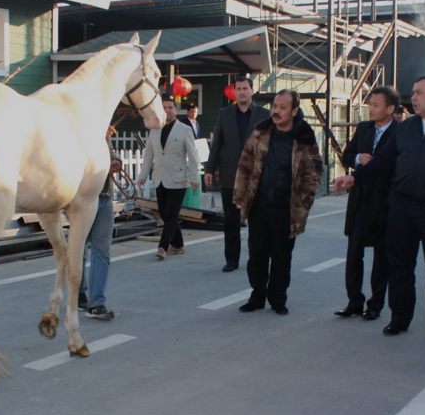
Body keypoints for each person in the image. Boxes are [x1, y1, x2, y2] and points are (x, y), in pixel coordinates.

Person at [334, 76, 425, 341]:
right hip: (402, 206)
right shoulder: (406, 129)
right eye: (412, 92)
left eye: (419, 92)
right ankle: (399, 318)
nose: (413, 97)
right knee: (399, 266)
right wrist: (354, 177)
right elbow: (383, 161)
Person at [233, 90, 323, 315]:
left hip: (286, 208)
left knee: (282, 258)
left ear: (294, 111)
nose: (276, 111)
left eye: (283, 107)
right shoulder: (261, 132)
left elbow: (314, 172)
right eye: (275, 106)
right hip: (259, 205)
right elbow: (245, 164)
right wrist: (240, 195)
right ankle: (257, 296)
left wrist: (305, 201)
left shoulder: (304, 137)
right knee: (257, 256)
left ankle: (278, 299)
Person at [335, 86, 399, 321]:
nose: (370, 109)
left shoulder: (399, 133)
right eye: (370, 104)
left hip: (385, 201)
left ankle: (375, 304)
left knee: (382, 256)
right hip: (360, 197)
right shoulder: (363, 129)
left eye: (375, 105)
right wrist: (357, 158)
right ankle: (354, 301)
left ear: (390, 109)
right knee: (354, 252)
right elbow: (345, 155)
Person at [204, 77, 270, 272]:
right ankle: (231, 259)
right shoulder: (224, 114)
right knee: (231, 220)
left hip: (255, 176)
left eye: (245, 88)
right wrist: (209, 169)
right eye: (238, 89)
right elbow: (217, 143)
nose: (242, 92)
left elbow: (268, 145)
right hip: (229, 173)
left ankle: (256, 259)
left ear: (252, 91)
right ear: (234, 92)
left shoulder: (263, 114)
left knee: (256, 220)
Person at [138, 96, 199, 260]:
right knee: (165, 214)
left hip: (178, 179)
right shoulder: (154, 129)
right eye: (164, 107)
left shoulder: (184, 129)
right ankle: (178, 245)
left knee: (172, 214)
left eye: (170, 107)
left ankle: (163, 247)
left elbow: (193, 156)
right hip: (159, 177)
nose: (167, 110)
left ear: (176, 110)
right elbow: (149, 154)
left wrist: (194, 178)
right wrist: (143, 175)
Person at [78, 125, 119, 320]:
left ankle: (97, 302)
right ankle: (79, 293)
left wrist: (114, 160)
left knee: (102, 251)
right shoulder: (78, 130)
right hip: (82, 199)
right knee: (78, 249)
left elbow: (113, 158)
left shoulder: (103, 132)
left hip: (104, 197)